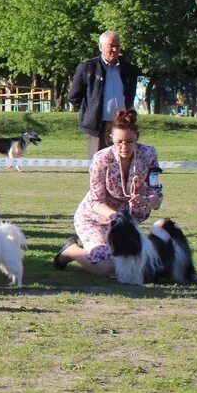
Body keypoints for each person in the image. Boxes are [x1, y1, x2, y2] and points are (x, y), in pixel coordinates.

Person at [55, 109, 162, 276]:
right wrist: (117, 217)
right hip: (95, 219)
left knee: (141, 263)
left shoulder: (149, 154)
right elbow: (96, 202)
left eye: (130, 142)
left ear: (137, 138)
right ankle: (71, 251)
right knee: (106, 268)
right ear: (111, 138)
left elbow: (157, 198)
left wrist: (147, 201)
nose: (124, 147)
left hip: (126, 223)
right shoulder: (101, 159)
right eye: (119, 142)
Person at [67, 31, 141, 159]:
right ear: (100, 47)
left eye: (117, 46)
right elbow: (73, 97)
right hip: (96, 127)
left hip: (121, 126)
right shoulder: (87, 67)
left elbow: (129, 97)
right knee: (98, 166)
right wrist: (91, 110)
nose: (114, 49)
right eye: (111, 45)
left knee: (121, 164)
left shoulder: (129, 69)